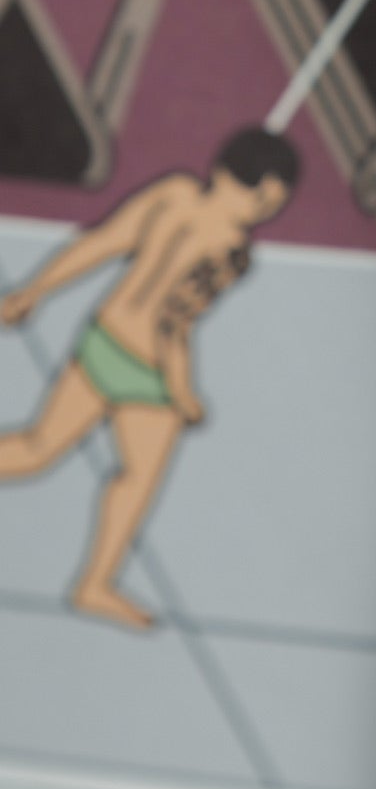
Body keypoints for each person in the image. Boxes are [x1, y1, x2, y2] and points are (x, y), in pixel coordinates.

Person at [0, 128, 300, 629]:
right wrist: (184, 395)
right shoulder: (231, 250)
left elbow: (102, 242)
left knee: (39, 448)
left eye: (272, 203)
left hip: (104, 338)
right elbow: (173, 326)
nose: (263, 210)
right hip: (149, 374)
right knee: (135, 479)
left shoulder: (173, 193)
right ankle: (95, 583)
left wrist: (34, 290)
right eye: (264, 198)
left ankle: (96, 584)